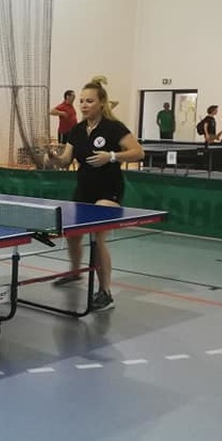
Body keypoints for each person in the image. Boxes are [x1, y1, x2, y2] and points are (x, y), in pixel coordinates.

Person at [46, 79, 144, 312]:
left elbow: (139, 152)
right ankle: (75, 272)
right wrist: (53, 157)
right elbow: (66, 161)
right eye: (81, 101)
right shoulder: (77, 130)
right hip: (84, 189)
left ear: (101, 103)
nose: (83, 105)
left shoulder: (114, 127)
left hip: (109, 189)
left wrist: (112, 156)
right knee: (73, 235)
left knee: (97, 237)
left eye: (89, 101)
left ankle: (105, 292)